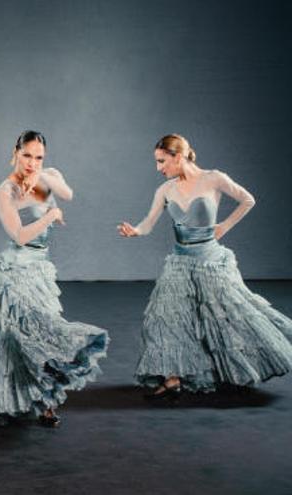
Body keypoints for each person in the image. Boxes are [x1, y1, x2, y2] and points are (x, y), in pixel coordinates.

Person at [0, 130, 108, 426]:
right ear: (15, 152)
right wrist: (50, 215)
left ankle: (44, 398)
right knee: (16, 336)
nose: (32, 163)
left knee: (42, 332)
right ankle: (16, 397)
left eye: (39, 157)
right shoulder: (5, 191)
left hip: (40, 267)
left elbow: (68, 193)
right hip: (15, 267)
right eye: (27, 155)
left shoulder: (48, 175)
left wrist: (42, 176)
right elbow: (19, 235)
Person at [118, 133, 292, 399]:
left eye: (162, 161)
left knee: (224, 317)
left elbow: (248, 199)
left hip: (210, 261)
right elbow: (148, 223)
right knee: (169, 319)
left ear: (178, 156)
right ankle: (173, 378)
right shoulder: (165, 190)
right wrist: (135, 231)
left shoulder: (213, 178)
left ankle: (231, 371)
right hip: (179, 263)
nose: (158, 168)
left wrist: (224, 226)